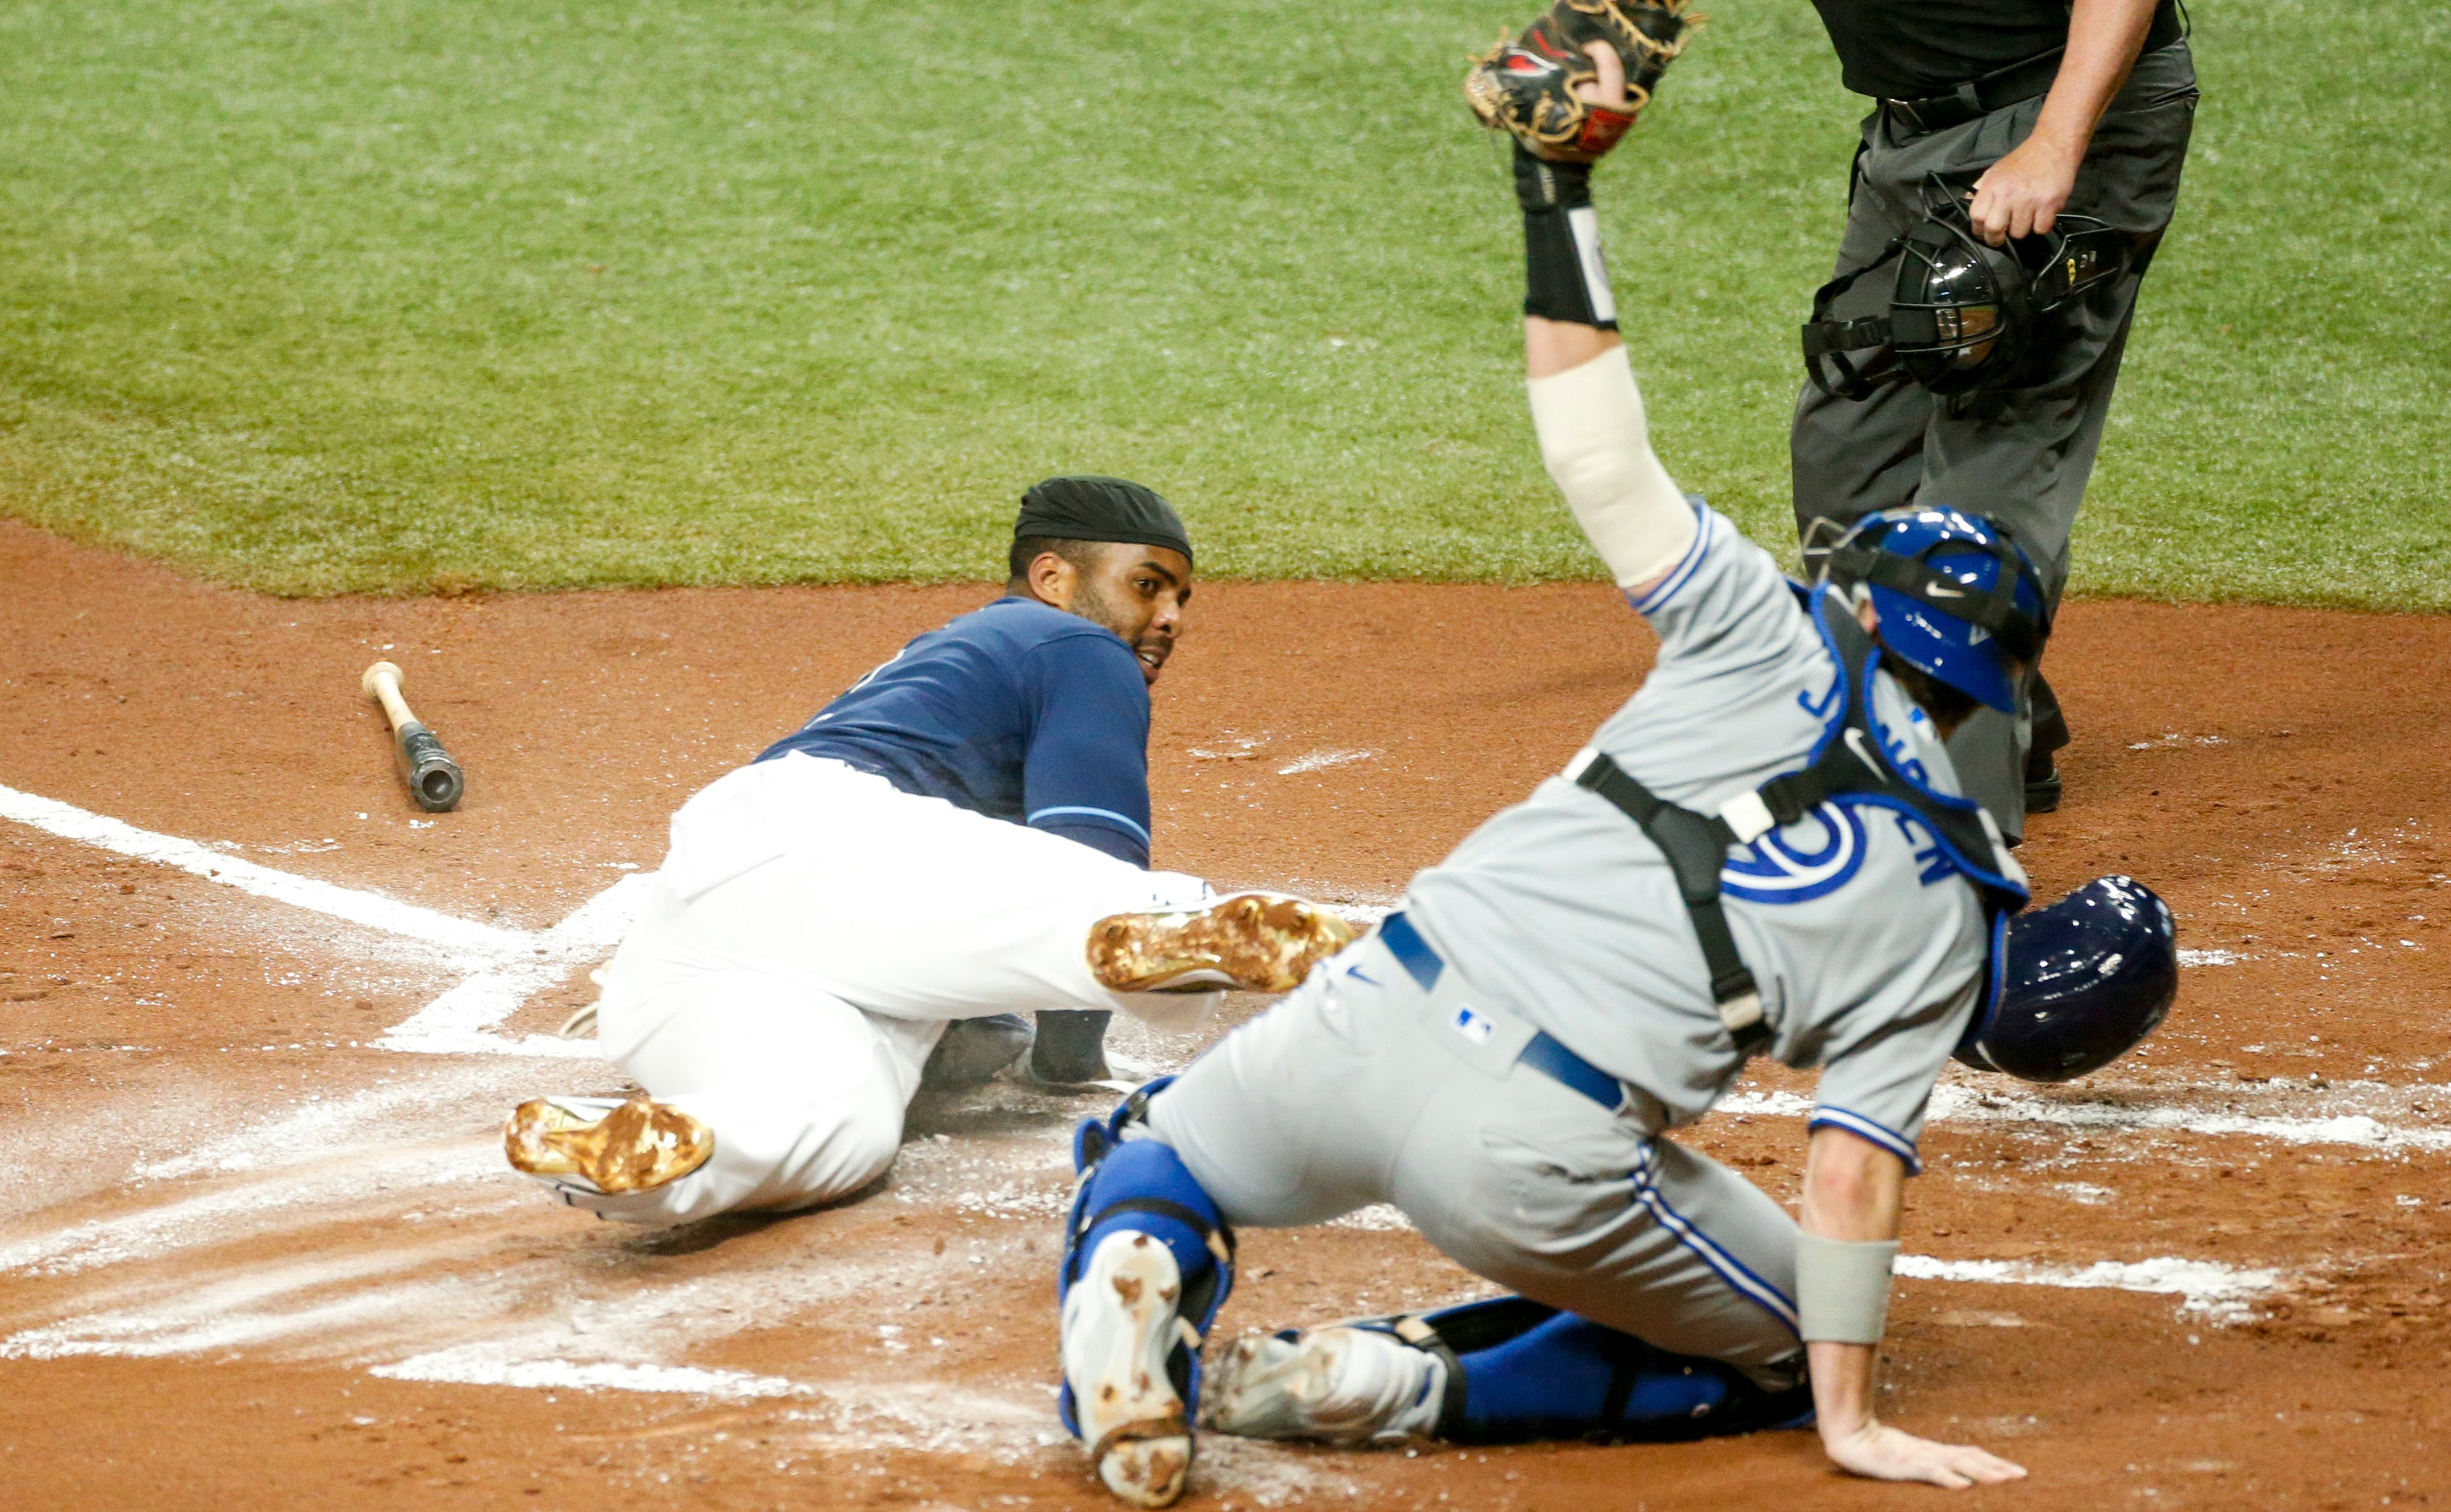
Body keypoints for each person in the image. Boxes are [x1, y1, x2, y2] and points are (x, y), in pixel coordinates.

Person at [1046, 123, 2169, 1508]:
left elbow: (1595, 451)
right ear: (1989, 692)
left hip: (1362, 1018)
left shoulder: (1760, 630)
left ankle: (1137, 1272)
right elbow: (1847, 1179)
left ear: (1862, 611)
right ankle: (1394, 1384)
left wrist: (1554, 190)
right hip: (1530, 1157)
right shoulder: (1951, 907)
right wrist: (1850, 1420)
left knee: (1147, 1152)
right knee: (1771, 1344)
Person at [500, 476, 1355, 1229]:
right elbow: (1088, 851)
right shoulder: (1075, 645)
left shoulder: (957, 652)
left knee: (840, 1125)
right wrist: (1064, 1063)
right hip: (826, 837)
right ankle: (1193, 936)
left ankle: (639, 1150)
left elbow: (934, 913)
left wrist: (974, 1021)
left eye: (1180, 599)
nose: (1168, 617)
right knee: (1127, 912)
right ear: (1054, 578)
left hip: (699, 938)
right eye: (1147, 585)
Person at [1792, 0, 2200, 833]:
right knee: (1846, 454)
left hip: (2056, 118)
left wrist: (2056, 141)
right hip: (1908, 138)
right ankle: (2000, 719)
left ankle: (1948, 853)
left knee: (1987, 482)